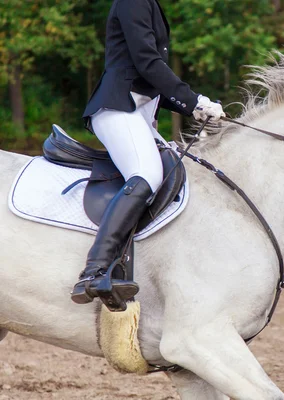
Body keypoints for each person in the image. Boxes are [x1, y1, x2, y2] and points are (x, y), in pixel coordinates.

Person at [70, 0, 224, 309]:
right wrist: (192, 100)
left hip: (137, 111)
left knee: (177, 173)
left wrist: (193, 105)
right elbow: (146, 62)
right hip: (117, 108)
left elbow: (151, 83)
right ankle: (95, 269)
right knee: (147, 174)